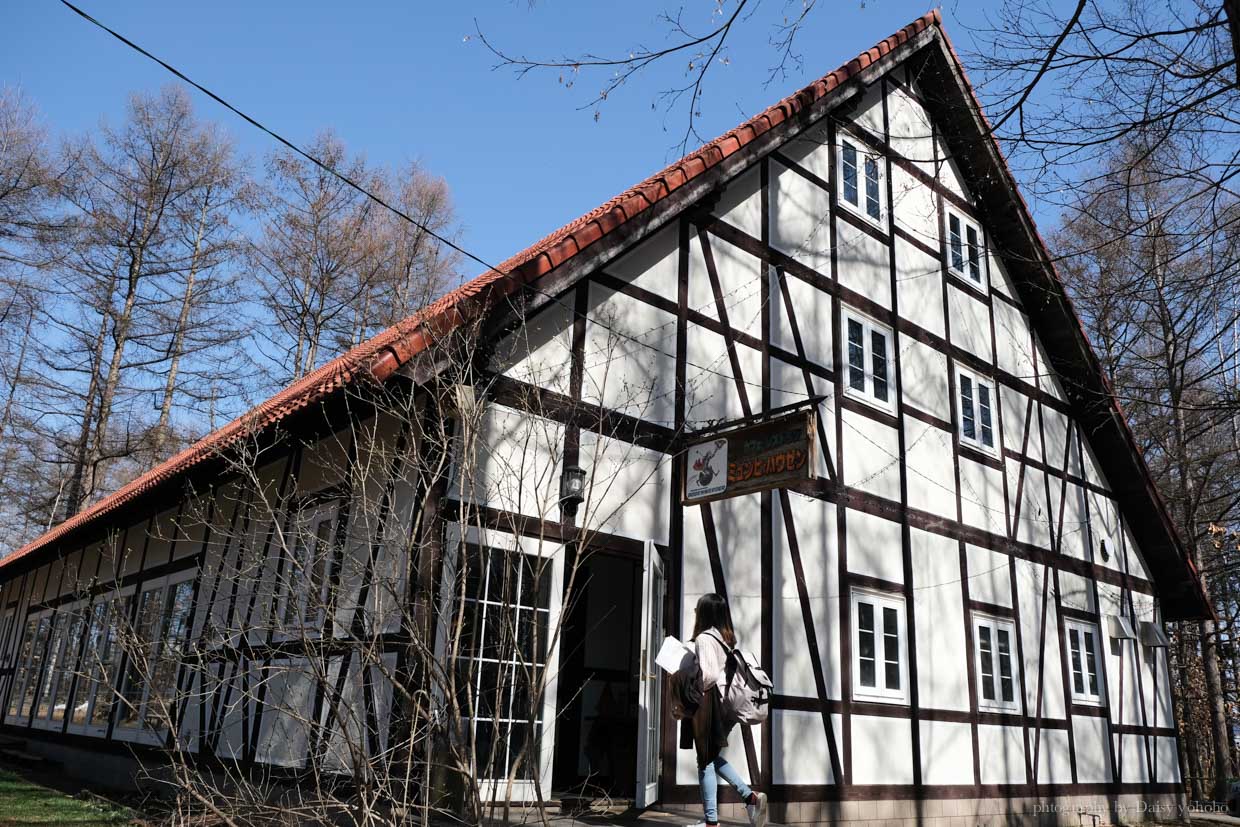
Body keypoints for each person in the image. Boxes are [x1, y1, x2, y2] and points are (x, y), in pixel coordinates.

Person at [682, 592, 768, 827]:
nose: (695, 613)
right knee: (709, 758)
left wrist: (693, 684)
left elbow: (709, 676)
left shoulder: (703, 639)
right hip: (727, 708)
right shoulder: (725, 638)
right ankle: (749, 798)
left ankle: (712, 822)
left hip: (712, 707)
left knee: (705, 761)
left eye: (697, 610)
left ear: (704, 613)